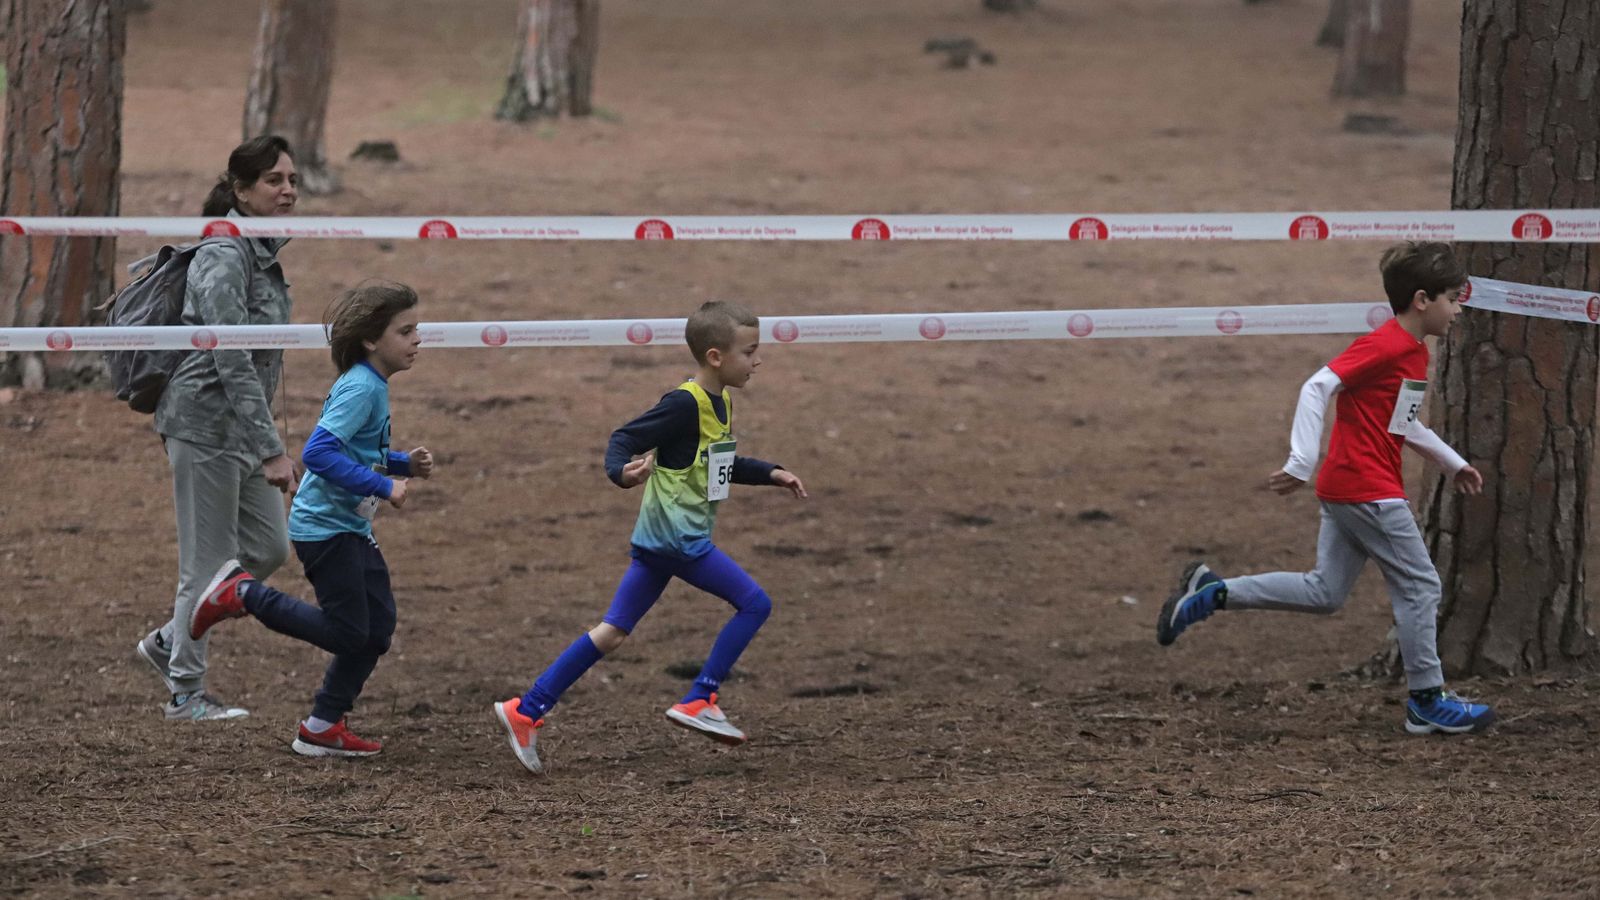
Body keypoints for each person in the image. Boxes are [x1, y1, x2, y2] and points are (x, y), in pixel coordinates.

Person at [1156, 242, 1496, 736]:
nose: (1458, 310)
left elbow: (1404, 425)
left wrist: (1452, 462)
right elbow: (1318, 385)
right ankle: (1427, 699)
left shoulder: (1414, 354)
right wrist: (1300, 461)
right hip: (1368, 490)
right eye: (1452, 298)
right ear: (1422, 300)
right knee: (1421, 586)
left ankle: (1212, 591)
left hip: (1348, 489)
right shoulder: (1386, 345)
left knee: (1324, 592)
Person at [494, 300, 808, 775]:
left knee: (613, 632)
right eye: (750, 350)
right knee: (755, 603)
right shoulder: (684, 403)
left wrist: (771, 473)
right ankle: (700, 696)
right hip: (679, 541)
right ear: (716, 356)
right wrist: (620, 474)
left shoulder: (719, 403)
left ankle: (527, 709)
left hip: (659, 542)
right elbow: (623, 437)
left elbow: (717, 467)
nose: (758, 359)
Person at [186, 282, 431, 757]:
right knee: (347, 632)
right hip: (325, 529)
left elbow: (358, 450)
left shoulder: (372, 385)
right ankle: (241, 593)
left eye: (416, 328)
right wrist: (384, 486)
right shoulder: (362, 387)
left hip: (350, 526)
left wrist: (401, 465)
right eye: (405, 331)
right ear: (370, 341)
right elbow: (317, 453)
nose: (417, 339)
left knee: (376, 628)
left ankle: (322, 726)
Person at [135, 135, 300, 722]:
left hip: (243, 429)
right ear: (241, 190)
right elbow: (231, 357)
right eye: (274, 181)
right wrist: (273, 451)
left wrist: (264, 443)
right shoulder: (225, 254)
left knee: (268, 548)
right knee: (204, 566)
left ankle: (166, 642)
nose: (288, 190)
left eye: (291, 180)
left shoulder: (262, 248)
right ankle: (185, 693)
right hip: (203, 424)